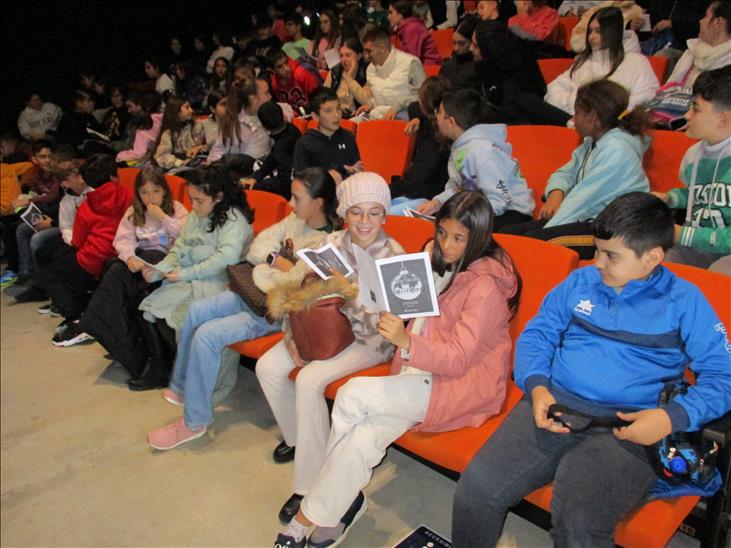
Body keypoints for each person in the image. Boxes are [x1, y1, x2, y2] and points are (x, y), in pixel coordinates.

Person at [452, 192, 731, 547]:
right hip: (554, 404)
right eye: (597, 250)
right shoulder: (580, 282)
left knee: (578, 525)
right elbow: (538, 335)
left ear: (652, 257)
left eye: (611, 255)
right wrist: (537, 385)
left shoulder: (685, 301)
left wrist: (670, 418)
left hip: (629, 427)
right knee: (477, 489)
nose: (597, 262)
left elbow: (724, 377)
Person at [275, 190, 522, 547]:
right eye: (443, 233)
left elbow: (457, 359)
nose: (447, 245)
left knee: (351, 396)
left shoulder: (484, 287)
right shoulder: (437, 259)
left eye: (459, 239)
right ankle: (339, 507)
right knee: (363, 437)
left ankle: (306, 517)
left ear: (479, 238)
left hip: (459, 383)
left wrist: (406, 342)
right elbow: (420, 315)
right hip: (418, 370)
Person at [147, 167, 341, 449]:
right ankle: (182, 387)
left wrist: (277, 268)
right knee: (197, 311)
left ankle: (194, 422)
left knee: (207, 335)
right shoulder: (296, 220)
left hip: (274, 312)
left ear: (318, 202)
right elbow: (257, 249)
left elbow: (297, 284)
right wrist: (277, 261)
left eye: (297, 198)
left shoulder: (328, 243)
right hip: (253, 293)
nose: (290, 203)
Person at [255, 171, 405, 528]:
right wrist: (291, 336)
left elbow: (389, 327)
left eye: (374, 212)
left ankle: (309, 485)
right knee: (267, 367)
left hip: (369, 341)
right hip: (323, 330)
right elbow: (299, 289)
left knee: (309, 380)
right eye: (356, 211)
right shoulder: (331, 243)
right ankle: (303, 440)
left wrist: (349, 294)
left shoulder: (394, 257)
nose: (365, 221)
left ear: (385, 215)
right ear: (344, 213)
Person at [133, 166, 254, 390]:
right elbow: (180, 247)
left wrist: (185, 273)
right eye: (191, 200)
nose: (194, 206)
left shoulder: (234, 220)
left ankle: (196, 375)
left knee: (181, 317)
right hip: (195, 277)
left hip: (223, 284)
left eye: (199, 200)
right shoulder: (197, 215)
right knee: (152, 308)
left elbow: (225, 260)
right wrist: (160, 269)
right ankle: (180, 368)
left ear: (219, 197)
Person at [502, 80, 651, 259]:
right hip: (590, 220)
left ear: (593, 117)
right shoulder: (592, 143)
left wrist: (548, 227)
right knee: (507, 234)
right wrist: (556, 193)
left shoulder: (617, 150)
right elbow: (566, 172)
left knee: (535, 242)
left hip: (617, 232)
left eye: (577, 113)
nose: (573, 119)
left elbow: (583, 199)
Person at [55, 168, 187, 356]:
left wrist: (163, 218)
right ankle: (104, 323)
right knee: (115, 266)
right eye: (144, 192)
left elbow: (187, 236)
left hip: (167, 263)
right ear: (138, 194)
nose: (150, 197)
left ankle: (95, 320)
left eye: (156, 191)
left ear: (164, 191)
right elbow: (122, 240)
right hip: (141, 262)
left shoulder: (176, 209)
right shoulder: (134, 211)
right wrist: (129, 256)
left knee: (125, 273)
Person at [35, 155, 132, 339]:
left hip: (94, 257)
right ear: (113, 175)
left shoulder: (87, 206)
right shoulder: (127, 193)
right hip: (121, 250)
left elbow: (78, 242)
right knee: (60, 259)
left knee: (48, 275)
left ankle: (78, 318)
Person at [417, 89, 535, 230]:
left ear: (450, 121)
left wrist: (465, 217)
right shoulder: (462, 147)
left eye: (440, 112)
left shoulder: (481, 151)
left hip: (510, 214)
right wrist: (437, 202)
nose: (436, 116)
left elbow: (499, 200)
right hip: (483, 209)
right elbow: (459, 187)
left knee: (456, 231)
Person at [653, 66, 731, 273]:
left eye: (696, 109)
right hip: (700, 245)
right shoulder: (694, 155)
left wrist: (684, 234)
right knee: (657, 263)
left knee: (721, 271)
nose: (687, 115)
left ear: (723, 118)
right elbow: (700, 194)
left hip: (725, 250)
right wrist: (672, 198)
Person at [544, 7, 659, 123]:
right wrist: (575, 104)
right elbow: (552, 90)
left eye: (598, 31)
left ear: (612, 32)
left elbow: (647, 96)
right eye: (590, 31)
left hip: (616, 125)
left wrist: (604, 111)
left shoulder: (636, 61)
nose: (591, 37)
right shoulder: (583, 62)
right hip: (576, 120)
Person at [2, 141, 61, 294]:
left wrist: (28, 201)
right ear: (34, 159)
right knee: (19, 228)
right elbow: (35, 195)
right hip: (46, 214)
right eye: (42, 157)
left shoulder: (58, 174)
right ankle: (26, 274)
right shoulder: (36, 175)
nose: (47, 160)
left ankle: (40, 284)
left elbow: (53, 196)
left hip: (59, 220)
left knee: (37, 238)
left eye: (50, 156)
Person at [389, 76, 451, 214]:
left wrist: (383, 190)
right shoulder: (437, 125)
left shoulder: (434, 139)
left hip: (430, 199)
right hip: (425, 193)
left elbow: (414, 181)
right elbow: (413, 108)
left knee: (380, 212)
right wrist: (419, 120)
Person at [470, 19, 547, 124]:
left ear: (488, 48)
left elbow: (511, 111)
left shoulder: (517, 71)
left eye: (475, 45)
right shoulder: (483, 65)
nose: (470, 48)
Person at [293, 87, 362, 185]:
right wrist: (329, 177)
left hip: (347, 190)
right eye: (328, 111)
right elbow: (300, 181)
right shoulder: (305, 143)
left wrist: (355, 171)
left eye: (338, 108)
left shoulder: (348, 137)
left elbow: (356, 168)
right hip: (319, 193)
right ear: (315, 116)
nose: (336, 115)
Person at [360, 27, 426, 120]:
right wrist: (369, 105)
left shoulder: (411, 63)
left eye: (369, 51)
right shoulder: (370, 69)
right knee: (350, 125)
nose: (366, 56)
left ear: (382, 48)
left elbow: (422, 96)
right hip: (376, 117)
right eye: (365, 51)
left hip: (405, 116)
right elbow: (378, 97)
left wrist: (398, 106)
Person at [662, 2, 731, 91]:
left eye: (706, 16)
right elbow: (668, 89)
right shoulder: (693, 51)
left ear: (718, 22)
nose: (700, 21)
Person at [207, 78, 272, 163]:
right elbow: (216, 154)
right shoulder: (236, 123)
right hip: (241, 168)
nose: (270, 96)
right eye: (266, 93)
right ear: (254, 99)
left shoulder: (271, 114)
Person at [247, 101, 301, 199]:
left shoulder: (280, 148)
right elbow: (273, 158)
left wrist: (261, 185)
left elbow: (286, 181)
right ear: (283, 116)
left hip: (292, 188)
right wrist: (257, 177)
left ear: (263, 126)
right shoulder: (292, 128)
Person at [324, 38, 372, 119]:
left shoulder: (367, 73)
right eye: (341, 56)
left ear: (359, 56)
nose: (343, 60)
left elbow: (365, 100)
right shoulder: (335, 72)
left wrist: (349, 79)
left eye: (348, 55)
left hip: (358, 117)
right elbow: (324, 97)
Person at [153, 97, 205, 171]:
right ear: (177, 111)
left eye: (190, 107)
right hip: (179, 166)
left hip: (197, 161)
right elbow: (161, 156)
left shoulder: (197, 124)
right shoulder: (168, 133)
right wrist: (179, 162)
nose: (191, 110)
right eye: (187, 107)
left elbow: (210, 144)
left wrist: (200, 148)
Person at [116, 92, 163, 167]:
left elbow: (139, 153)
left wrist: (119, 156)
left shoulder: (146, 124)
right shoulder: (165, 118)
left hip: (150, 164)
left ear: (141, 106)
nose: (128, 111)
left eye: (130, 106)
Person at [389, 0, 442, 65]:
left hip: (429, 67)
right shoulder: (403, 28)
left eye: (391, 13)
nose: (388, 16)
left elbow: (412, 59)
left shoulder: (412, 28)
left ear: (401, 14)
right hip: (419, 66)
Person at [56, 90, 107, 154]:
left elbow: (101, 134)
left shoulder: (89, 117)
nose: (92, 103)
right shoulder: (68, 120)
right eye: (89, 101)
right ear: (79, 103)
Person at [439, 15, 480, 91]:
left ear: (473, 42)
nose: (456, 48)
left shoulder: (478, 69)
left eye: (461, 43)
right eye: (454, 43)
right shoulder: (447, 65)